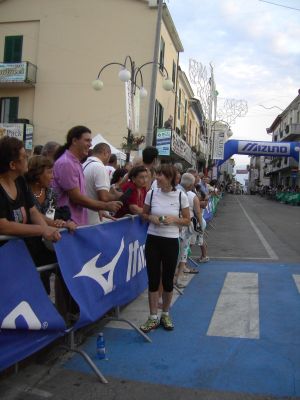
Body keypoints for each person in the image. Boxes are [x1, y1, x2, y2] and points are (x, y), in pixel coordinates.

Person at [0, 137, 61, 292]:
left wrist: (46, 232)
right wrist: (42, 230)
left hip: (21, 253)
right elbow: (4, 225)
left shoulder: (20, 181)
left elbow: (33, 211)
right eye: (24, 157)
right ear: (13, 165)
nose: (28, 158)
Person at [140, 164, 190, 333]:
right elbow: (143, 215)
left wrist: (174, 219)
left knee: (168, 280)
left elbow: (187, 220)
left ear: (169, 178)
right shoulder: (151, 193)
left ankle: (165, 314)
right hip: (153, 239)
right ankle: (153, 317)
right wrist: (151, 218)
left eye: (160, 175)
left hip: (171, 241)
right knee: (153, 279)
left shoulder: (181, 196)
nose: (157, 178)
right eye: (157, 174)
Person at [52, 126, 122, 225]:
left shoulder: (76, 162)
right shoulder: (67, 163)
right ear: (75, 141)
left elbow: (82, 195)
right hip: (68, 223)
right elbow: (76, 198)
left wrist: (99, 209)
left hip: (76, 222)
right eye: (87, 140)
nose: (90, 144)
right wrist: (105, 206)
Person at [83, 143, 122, 225]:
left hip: (85, 216)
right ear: (105, 153)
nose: (108, 159)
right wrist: (118, 195)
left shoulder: (84, 165)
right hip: (95, 220)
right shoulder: (99, 167)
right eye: (109, 155)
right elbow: (104, 197)